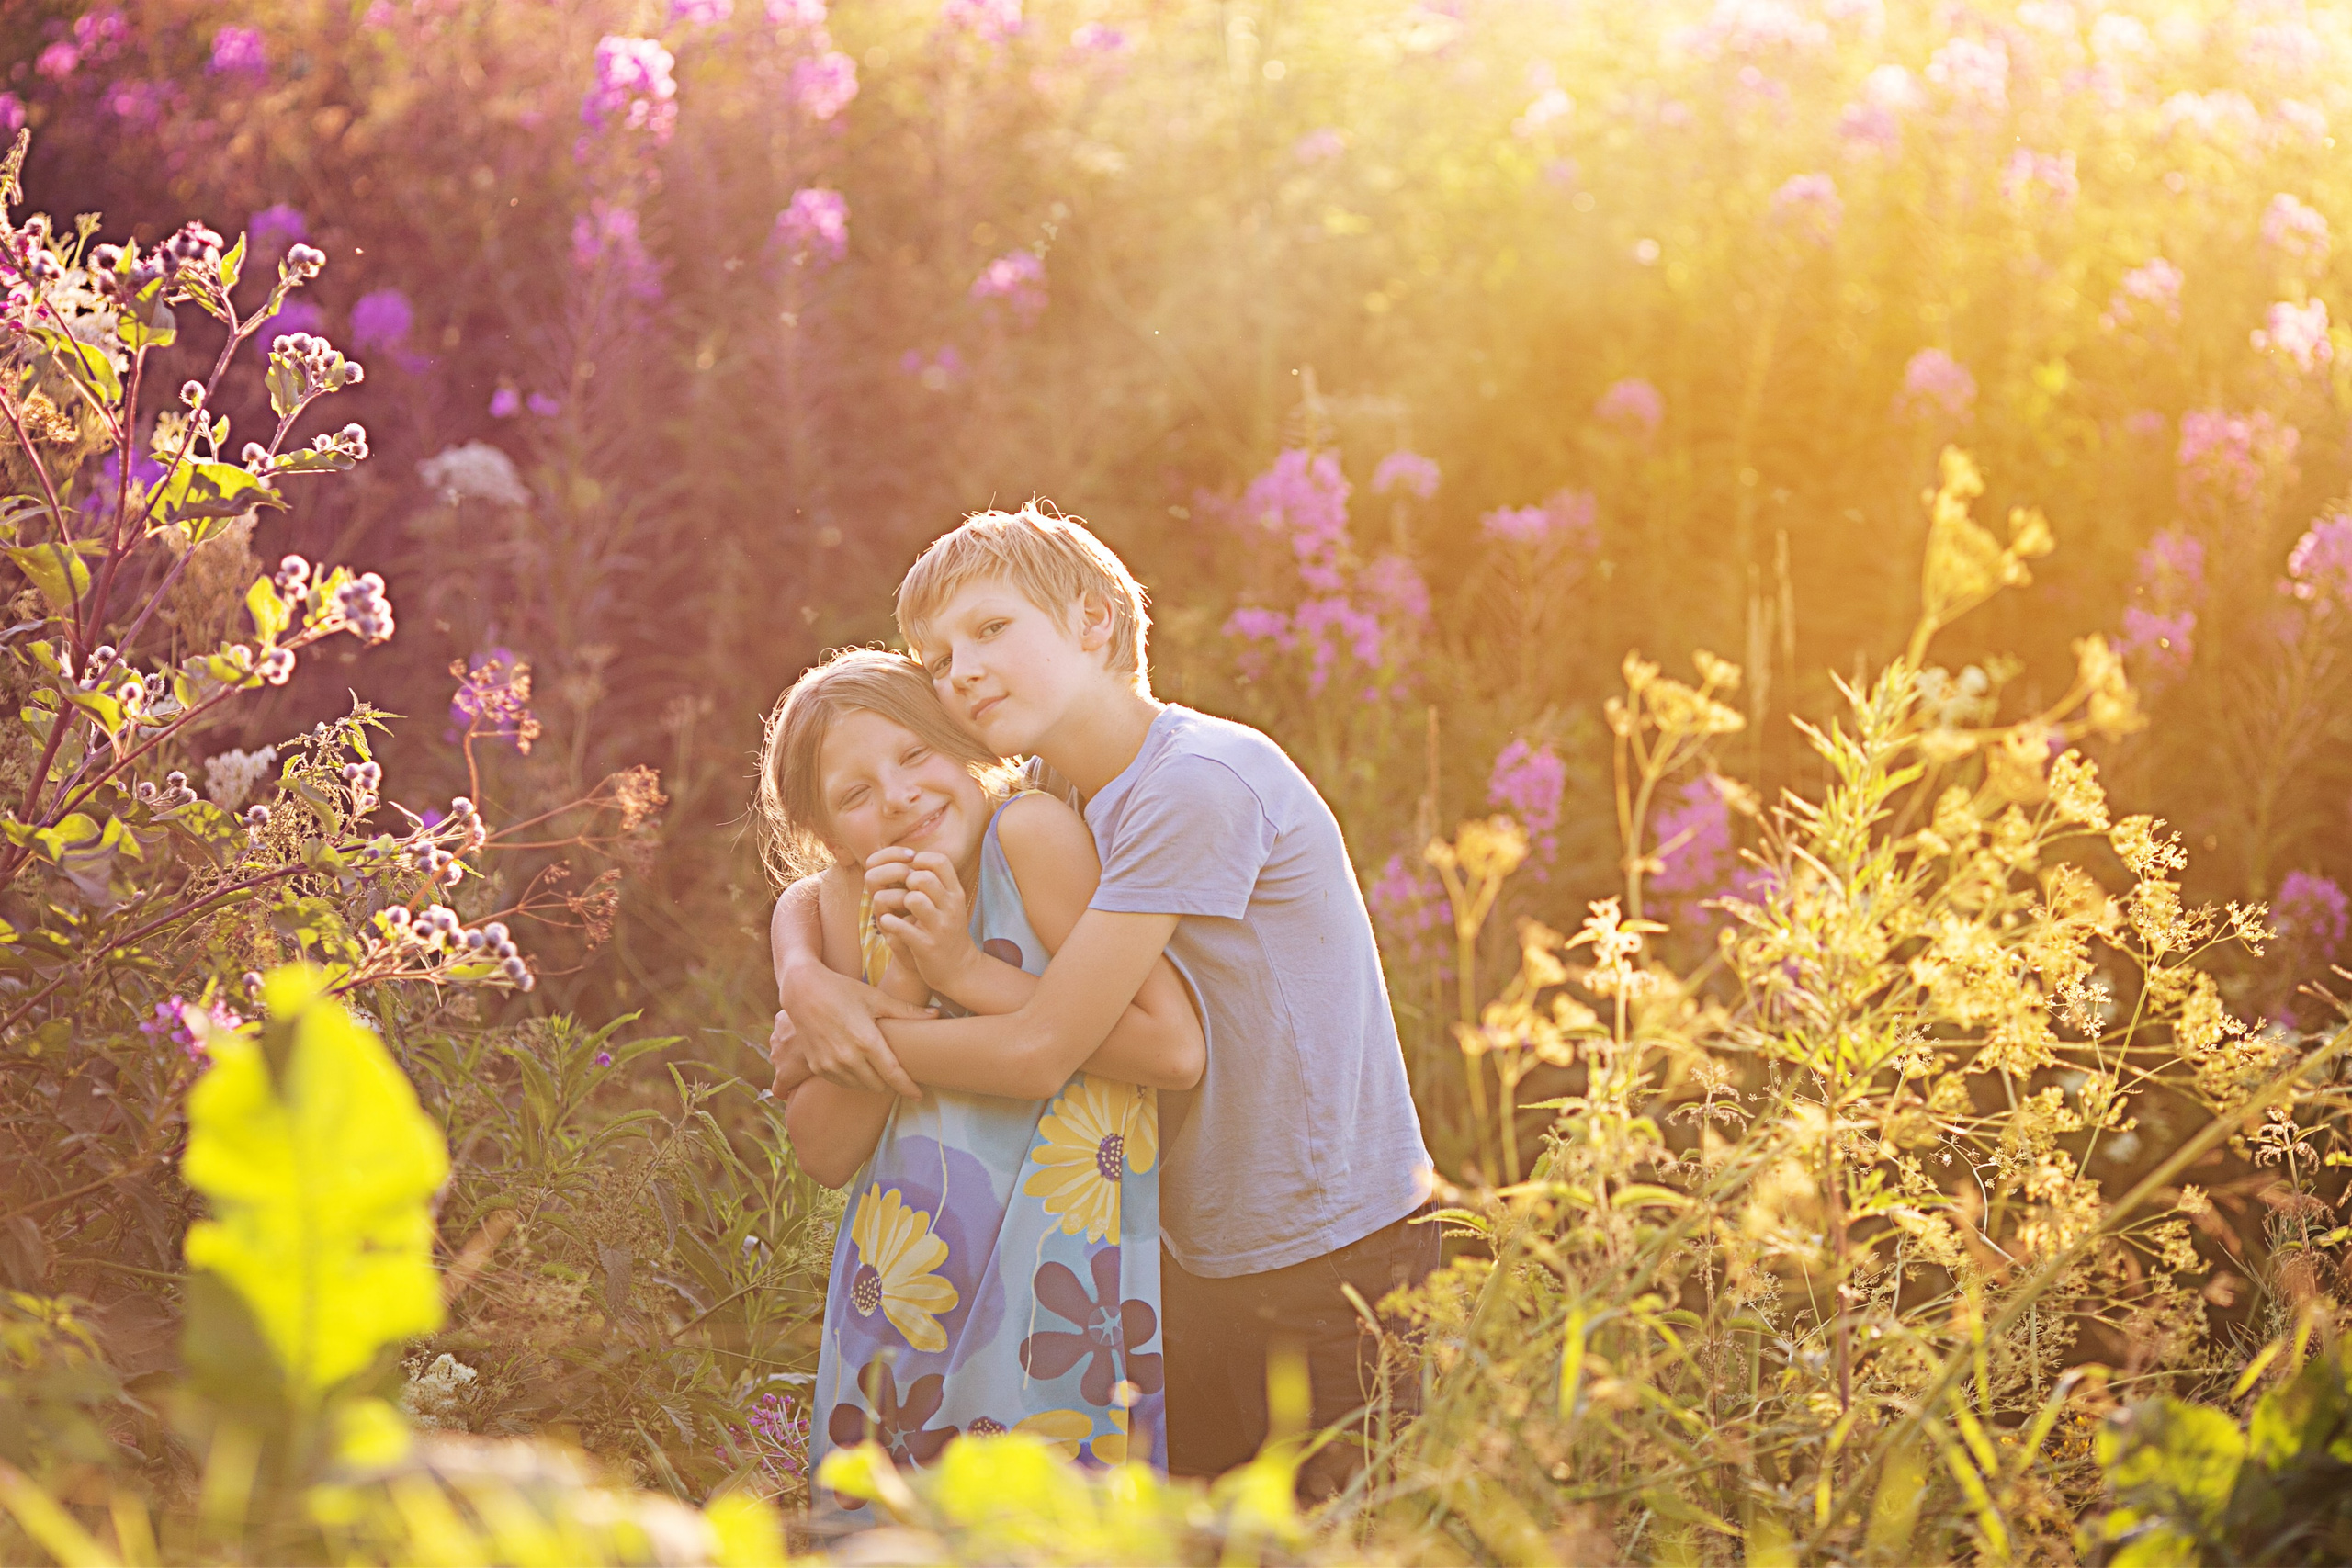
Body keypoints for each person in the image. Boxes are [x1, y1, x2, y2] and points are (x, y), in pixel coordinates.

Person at [769, 505, 1438, 1493]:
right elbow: (831, 882)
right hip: (1187, 1251)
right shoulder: (1064, 787)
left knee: (1346, 1538)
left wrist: (856, 1027)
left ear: (1092, 620)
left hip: (1330, 1250)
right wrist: (801, 971)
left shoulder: (1196, 781)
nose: (961, 670)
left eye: (991, 630)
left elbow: (1047, 1045)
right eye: (938, 655)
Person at [752, 648, 1204, 1509]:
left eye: (915, 755)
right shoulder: (851, 904)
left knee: (1052, 1530)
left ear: (962, 746)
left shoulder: (1029, 837)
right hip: (897, 1295)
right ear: (829, 840)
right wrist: (898, 979)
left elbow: (1166, 1049)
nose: (897, 795)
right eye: (855, 795)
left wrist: (941, 971)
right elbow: (825, 1149)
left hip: (1058, 1299)